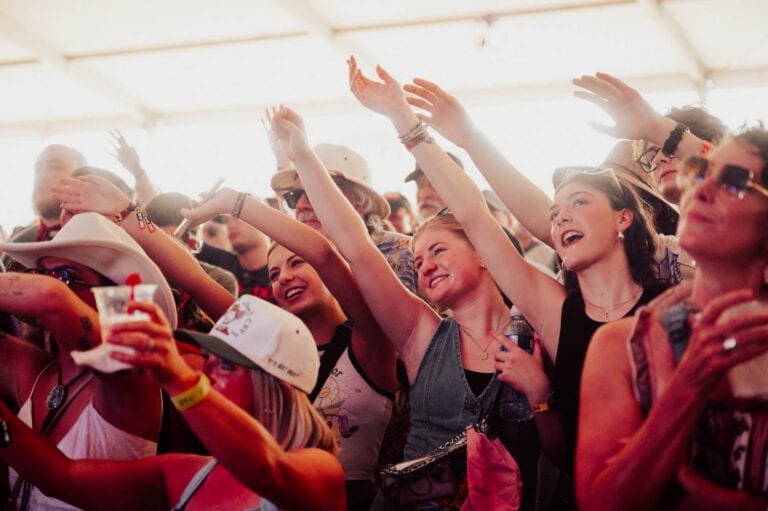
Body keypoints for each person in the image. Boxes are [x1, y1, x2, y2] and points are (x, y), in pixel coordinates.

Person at [346, 56, 669, 503]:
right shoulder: (558, 314)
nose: (561, 217)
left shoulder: (671, 305)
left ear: (624, 218)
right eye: (554, 213)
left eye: (578, 202)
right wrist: (406, 121)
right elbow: (473, 215)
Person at [266, 103, 541, 509]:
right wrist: (301, 155)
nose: (424, 265)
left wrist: (541, 393)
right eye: (417, 260)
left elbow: (561, 450)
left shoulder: (539, 333)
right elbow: (356, 247)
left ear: (483, 251)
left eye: (437, 250)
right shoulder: (422, 335)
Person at [572, 72, 768, 509]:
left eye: (734, 182)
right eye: (701, 173)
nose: (699, 188)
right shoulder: (626, 345)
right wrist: (686, 387)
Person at [0, 295, 345, 511]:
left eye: (226, 366)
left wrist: (177, 378)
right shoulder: (187, 473)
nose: (204, 371)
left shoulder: (322, 469)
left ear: (276, 393)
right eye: (207, 359)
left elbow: (268, 471)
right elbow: (58, 476)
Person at [180, 187, 398, 510]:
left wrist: (235, 204)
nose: (284, 277)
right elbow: (196, 282)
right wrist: (128, 215)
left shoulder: (369, 339)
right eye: (274, 274)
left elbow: (324, 255)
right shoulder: (263, 342)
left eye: (297, 263)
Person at [0, 212, 178, 511]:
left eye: (66, 275)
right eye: (41, 272)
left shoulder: (133, 374)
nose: (45, 281)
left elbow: (50, 296)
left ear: (112, 298)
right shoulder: (36, 370)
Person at [269, 139, 418, 294]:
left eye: (313, 193)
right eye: (294, 196)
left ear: (359, 203)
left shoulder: (404, 254)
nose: (301, 205)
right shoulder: (291, 264)